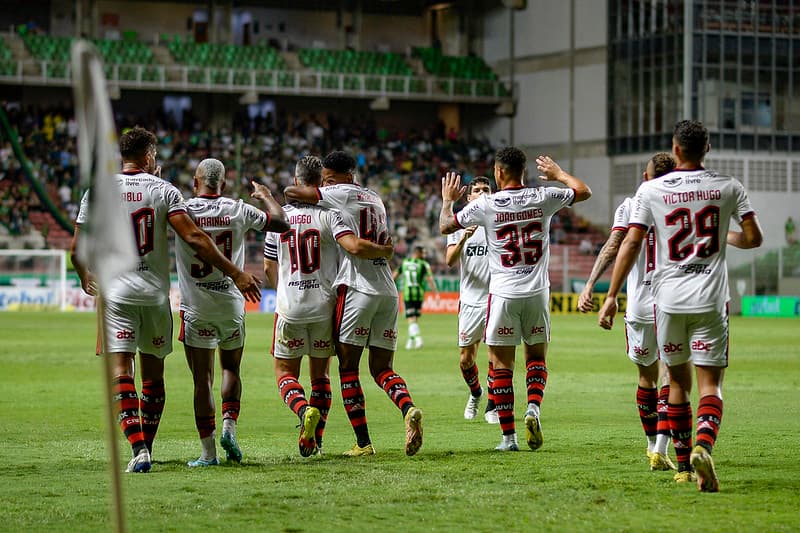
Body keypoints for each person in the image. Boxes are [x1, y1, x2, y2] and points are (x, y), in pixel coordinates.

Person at [71, 126, 262, 473]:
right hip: (155, 294)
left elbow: (76, 249)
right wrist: (235, 272)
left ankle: (138, 449)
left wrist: (85, 276)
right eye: (154, 156)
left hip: (116, 294)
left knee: (120, 370)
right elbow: (194, 237)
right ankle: (150, 442)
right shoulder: (165, 191)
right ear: (148, 157)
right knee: (153, 377)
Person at [598, 120, 763, 492]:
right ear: (707, 148)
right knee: (710, 385)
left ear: (675, 150)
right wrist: (724, 236)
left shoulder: (651, 190)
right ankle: (703, 446)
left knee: (675, 384)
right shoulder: (728, 186)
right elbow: (754, 238)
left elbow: (630, 243)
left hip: (667, 301)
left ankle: (685, 466)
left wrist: (610, 296)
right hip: (710, 298)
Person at [440, 148, 592, 451]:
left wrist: (447, 200)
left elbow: (446, 226)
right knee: (536, 359)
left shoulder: (487, 204)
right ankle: (533, 409)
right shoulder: (543, 195)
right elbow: (583, 191)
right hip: (537, 293)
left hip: (503, 294)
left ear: (498, 173)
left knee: (499, 366)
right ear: (524, 171)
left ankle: (508, 439)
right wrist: (559, 174)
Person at [284, 150, 424, 457]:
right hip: (387, 289)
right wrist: (385, 253)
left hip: (357, 288)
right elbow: (385, 245)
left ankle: (363, 443)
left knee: (348, 369)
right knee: (382, 368)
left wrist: (308, 190)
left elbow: (293, 192)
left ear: (330, 178)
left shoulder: (334, 193)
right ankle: (408, 408)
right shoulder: (375, 197)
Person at [264, 155, 394, 457]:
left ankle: (302, 410)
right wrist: (385, 250)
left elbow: (270, 267)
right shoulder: (330, 214)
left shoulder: (279, 218)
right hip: (325, 305)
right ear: (320, 182)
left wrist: (282, 293)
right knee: (321, 377)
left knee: (285, 373)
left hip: (290, 305)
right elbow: (350, 247)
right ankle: (316, 441)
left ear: (297, 181)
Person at [175, 158, 289, 467]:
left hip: (196, 305)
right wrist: (265, 195)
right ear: (223, 185)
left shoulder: (181, 211)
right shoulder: (238, 209)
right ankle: (230, 427)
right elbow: (281, 223)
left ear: (195, 183)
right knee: (231, 370)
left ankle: (208, 453)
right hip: (231, 304)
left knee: (202, 380)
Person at [578, 152, 677, 471]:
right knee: (670, 378)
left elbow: (614, 246)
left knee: (646, 378)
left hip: (637, 306)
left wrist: (591, 285)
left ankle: (652, 445)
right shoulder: (679, 206)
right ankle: (661, 449)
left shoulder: (631, 204)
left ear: (646, 177)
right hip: (672, 302)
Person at [444, 176, 499, 423]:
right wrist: (464, 237)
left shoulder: (499, 220)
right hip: (470, 300)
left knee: (495, 357)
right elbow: (449, 261)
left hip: (496, 297)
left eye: (486, 189)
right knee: (466, 360)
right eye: (477, 190)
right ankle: (476, 392)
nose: (482, 193)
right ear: (469, 197)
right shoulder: (459, 224)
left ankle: (492, 406)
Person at [393, 245, 438, 350]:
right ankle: (411, 340)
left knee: (411, 319)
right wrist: (436, 293)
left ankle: (417, 339)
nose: (425, 255)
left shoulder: (404, 263)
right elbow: (429, 279)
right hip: (419, 294)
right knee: (414, 319)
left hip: (408, 294)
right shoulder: (423, 264)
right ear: (417, 253)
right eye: (423, 253)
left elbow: (394, 276)